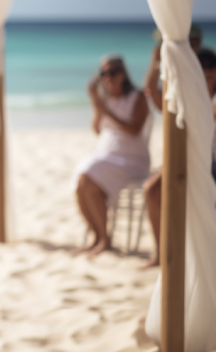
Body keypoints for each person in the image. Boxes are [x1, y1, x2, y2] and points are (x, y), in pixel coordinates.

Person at [142, 46, 216, 268]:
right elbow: (151, 91)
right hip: (186, 161)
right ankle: (161, 253)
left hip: (210, 164)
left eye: (210, 71)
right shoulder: (185, 97)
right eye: (201, 70)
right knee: (152, 190)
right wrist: (157, 61)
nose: (206, 74)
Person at [75, 55, 150, 257]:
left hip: (131, 159)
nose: (108, 77)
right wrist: (96, 105)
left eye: (113, 72)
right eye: (104, 73)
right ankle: (99, 236)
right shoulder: (104, 100)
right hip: (106, 155)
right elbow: (98, 129)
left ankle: (104, 239)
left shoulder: (137, 97)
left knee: (88, 175)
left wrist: (105, 110)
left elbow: (134, 130)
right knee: (81, 184)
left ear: (123, 73)